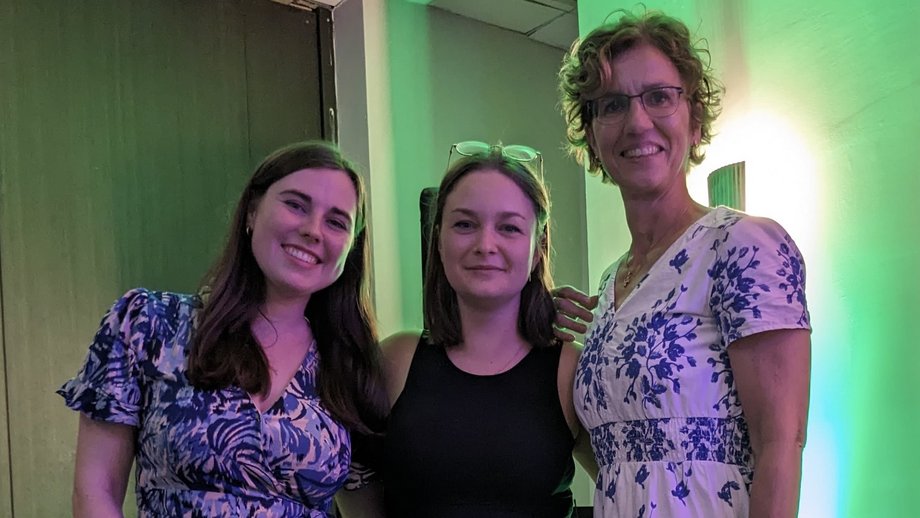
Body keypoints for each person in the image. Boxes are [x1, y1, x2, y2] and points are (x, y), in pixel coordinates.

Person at [555, 10, 812, 517]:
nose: (637, 121)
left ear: (694, 120)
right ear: (592, 139)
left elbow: (782, 445)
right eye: (611, 104)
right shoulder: (610, 284)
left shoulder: (741, 245)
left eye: (659, 97)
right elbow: (619, 456)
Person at [57, 141, 387, 517]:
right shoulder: (148, 323)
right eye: (296, 205)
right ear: (251, 211)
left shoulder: (350, 365)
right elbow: (95, 489)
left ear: (351, 247)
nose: (313, 230)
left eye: (336, 222)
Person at [377, 142, 597, 517]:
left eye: (509, 227)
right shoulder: (395, 360)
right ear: (439, 241)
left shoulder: (571, 369)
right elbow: (350, 482)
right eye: (464, 224)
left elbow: (628, 478)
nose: (485, 245)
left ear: (538, 248)